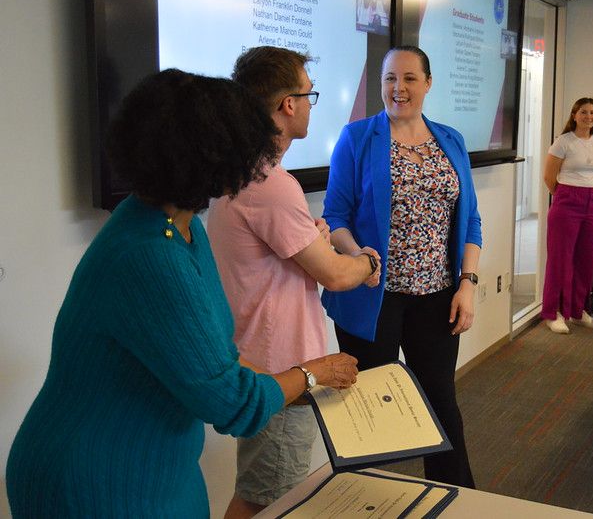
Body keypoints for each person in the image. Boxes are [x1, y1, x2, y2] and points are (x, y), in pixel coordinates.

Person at [5, 69, 358, 518]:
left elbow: (217, 353)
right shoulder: (151, 253)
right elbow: (233, 403)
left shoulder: (178, 223)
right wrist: (313, 372)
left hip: (153, 466)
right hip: (96, 482)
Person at [207, 46, 379, 519]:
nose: (308, 105)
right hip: (281, 371)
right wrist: (367, 260)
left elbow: (277, 257)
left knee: (260, 493)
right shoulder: (271, 183)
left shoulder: (244, 173)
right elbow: (337, 275)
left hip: (264, 366)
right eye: (309, 95)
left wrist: (316, 236)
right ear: (287, 104)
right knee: (271, 502)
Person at [322, 46, 482, 488]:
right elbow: (335, 215)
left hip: (437, 297)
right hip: (372, 297)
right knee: (368, 413)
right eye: (390, 78)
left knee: (441, 406)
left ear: (428, 83)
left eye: (410, 78)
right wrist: (358, 255)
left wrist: (467, 283)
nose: (399, 88)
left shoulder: (451, 140)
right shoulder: (357, 137)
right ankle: (362, 503)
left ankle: (459, 503)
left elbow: (470, 219)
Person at [541, 97, 593, 334]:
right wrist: (566, 196)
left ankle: (578, 309)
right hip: (567, 200)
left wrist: (587, 192)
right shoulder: (563, 142)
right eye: (583, 112)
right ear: (574, 115)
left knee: (587, 258)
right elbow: (549, 177)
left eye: (592, 112)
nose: (588, 116)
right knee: (560, 259)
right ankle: (553, 312)